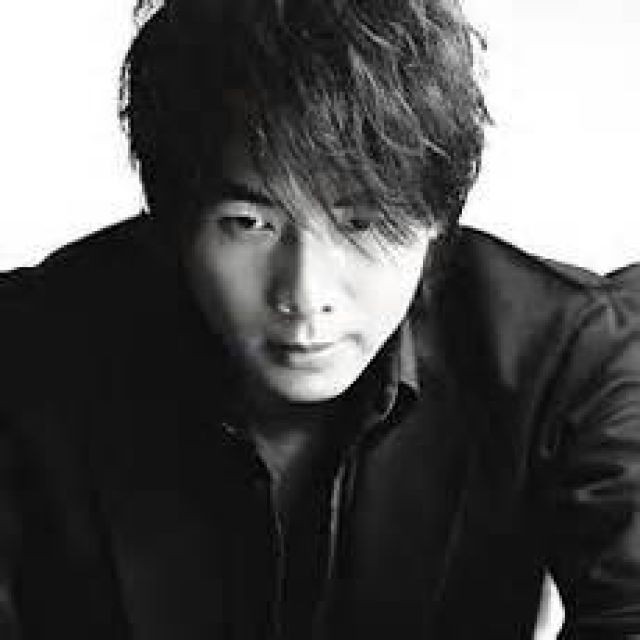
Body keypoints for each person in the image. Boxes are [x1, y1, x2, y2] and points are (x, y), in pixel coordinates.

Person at [1, 0, 639, 638]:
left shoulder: (567, 354)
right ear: (174, 222)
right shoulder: (27, 347)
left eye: (362, 222)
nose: (306, 295)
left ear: (436, 217)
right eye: (249, 224)